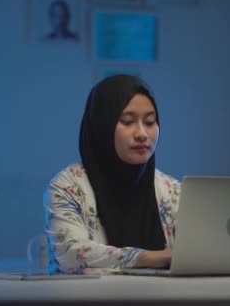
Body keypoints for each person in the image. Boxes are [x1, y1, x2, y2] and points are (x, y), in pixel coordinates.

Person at [43, 74, 181, 275]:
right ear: (102, 126)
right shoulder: (67, 187)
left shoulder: (172, 190)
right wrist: (151, 258)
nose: (142, 133)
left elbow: (194, 253)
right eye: (127, 121)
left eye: (150, 122)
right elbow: (71, 255)